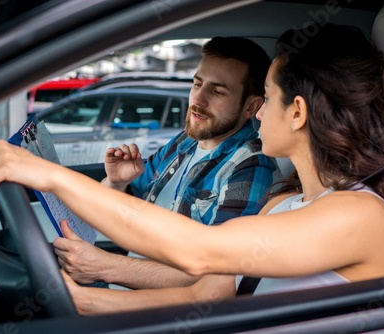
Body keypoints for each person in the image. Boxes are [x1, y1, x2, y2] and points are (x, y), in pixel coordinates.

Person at [0, 23, 384, 315]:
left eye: (266, 97)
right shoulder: (286, 202)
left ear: (297, 112)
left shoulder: (359, 215)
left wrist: (51, 175)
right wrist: (84, 301)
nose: (259, 114)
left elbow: (199, 250)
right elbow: (205, 294)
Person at [54, 37, 281, 291]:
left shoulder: (251, 167)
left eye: (217, 92)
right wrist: (117, 183)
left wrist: (104, 267)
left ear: (251, 106)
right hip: (124, 292)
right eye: (197, 84)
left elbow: (217, 276)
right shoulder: (185, 142)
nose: (198, 100)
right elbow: (122, 211)